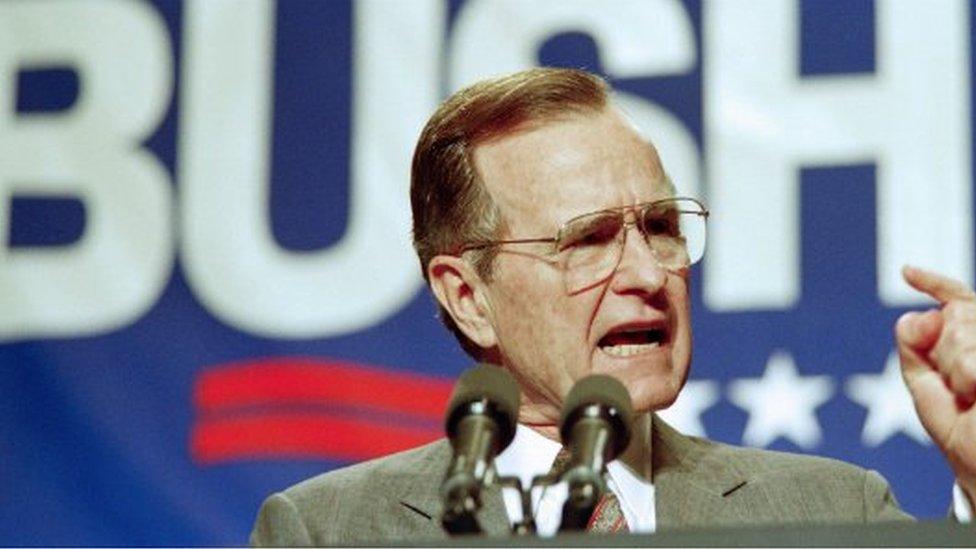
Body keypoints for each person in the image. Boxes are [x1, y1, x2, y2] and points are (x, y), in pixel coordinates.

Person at [250, 68, 976, 545]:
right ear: (469, 297)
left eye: (661, 227)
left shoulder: (831, 510)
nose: (647, 272)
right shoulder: (328, 529)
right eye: (589, 239)